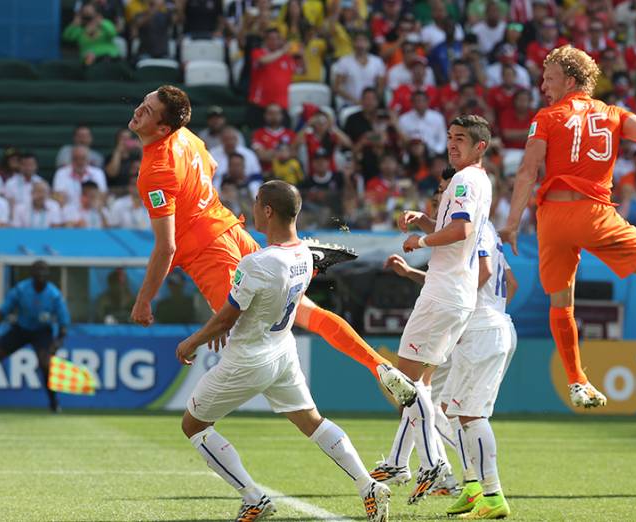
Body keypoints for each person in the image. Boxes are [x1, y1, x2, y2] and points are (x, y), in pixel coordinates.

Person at [127, 85, 416, 404]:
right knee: (308, 313)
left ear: (163, 128)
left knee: (239, 332)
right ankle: (381, 366)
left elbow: (166, 247)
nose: (139, 109)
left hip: (207, 252)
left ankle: (284, 406)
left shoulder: (155, 170)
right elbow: (211, 165)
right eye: (143, 102)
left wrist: (144, 300)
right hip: (229, 229)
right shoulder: (187, 138)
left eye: (148, 109)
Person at [500, 45, 636, 409]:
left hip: (551, 219)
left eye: (549, 78)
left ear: (570, 79)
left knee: (560, 300)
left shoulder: (546, 117)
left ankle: (577, 381)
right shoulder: (612, 114)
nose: (542, 85)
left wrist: (511, 223)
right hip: (593, 215)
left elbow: (527, 171)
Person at [175, 180, 393, 522]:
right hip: (282, 352)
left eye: (256, 203)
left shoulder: (257, 263)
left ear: (267, 211)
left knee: (194, 426)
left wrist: (192, 341)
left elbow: (226, 320)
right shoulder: (305, 255)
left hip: (247, 358)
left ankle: (253, 498)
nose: (251, 210)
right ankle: (368, 486)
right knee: (313, 423)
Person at [382, 114, 494, 504]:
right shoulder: (479, 182)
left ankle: (435, 466)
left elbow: (460, 232)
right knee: (419, 385)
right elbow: (461, 231)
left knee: (406, 382)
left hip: (443, 291)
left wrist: (421, 238)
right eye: (450, 137)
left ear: (480, 146)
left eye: (460, 139)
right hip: (456, 292)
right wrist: (428, 219)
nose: (452, 144)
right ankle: (413, 461)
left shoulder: (464, 180)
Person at [377, 215, 517, 519]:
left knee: (471, 414)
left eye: (444, 200)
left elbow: (483, 272)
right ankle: (471, 487)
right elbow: (511, 283)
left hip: (481, 332)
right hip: (486, 328)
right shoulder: (487, 231)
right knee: (448, 409)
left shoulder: (474, 228)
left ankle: (492, 494)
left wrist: (477, 313)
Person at [0, 261, 70, 413]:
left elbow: (63, 323)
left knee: (45, 364)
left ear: (48, 274)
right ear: (32, 273)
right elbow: (2, 311)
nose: (41, 274)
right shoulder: (21, 289)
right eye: (37, 271)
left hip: (42, 332)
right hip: (21, 329)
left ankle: (54, 403)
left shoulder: (54, 295)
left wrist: (58, 341)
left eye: (44, 271)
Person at [52, 144, 108, 209]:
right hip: (68, 214)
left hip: (91, 211)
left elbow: (102, 196)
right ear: (71, 159)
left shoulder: (98, 173)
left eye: (83, 158)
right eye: (76, 158)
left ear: (88, 159)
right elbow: (58, 197)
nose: (79, 162)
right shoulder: (61, 173)